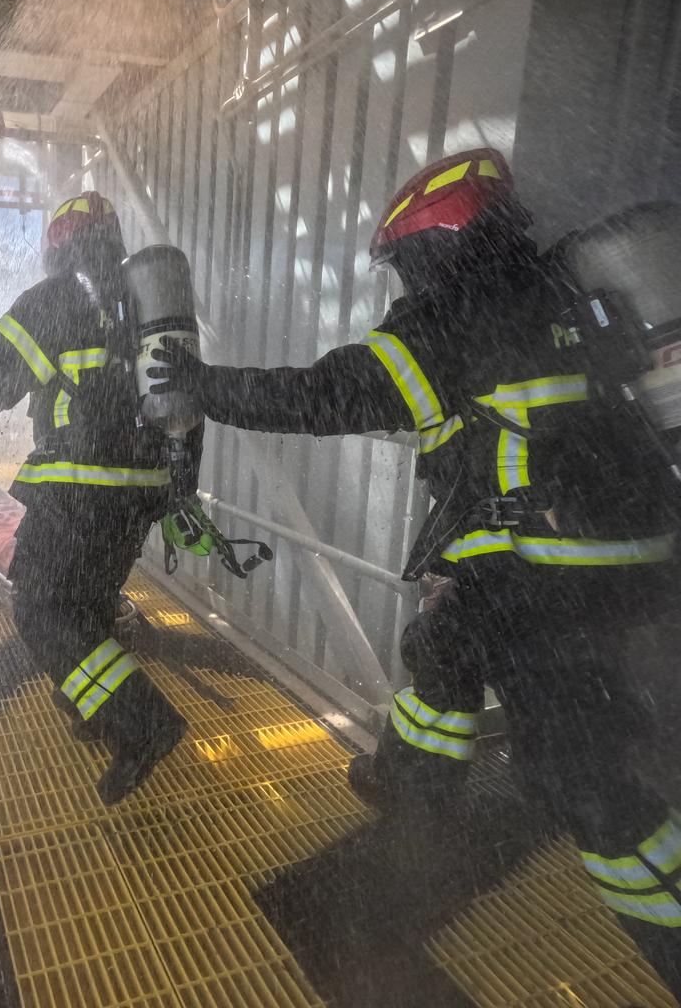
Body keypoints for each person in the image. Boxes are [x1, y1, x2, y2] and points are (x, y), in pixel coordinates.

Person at [148, 148, 681, 992]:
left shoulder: (448, 320)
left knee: (586, 782)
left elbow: (327, 396)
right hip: (619, 559)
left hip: (543, 574)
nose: (402, 285)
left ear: (437, 242)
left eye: (403, 264)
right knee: (446, 646)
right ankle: (412, 781)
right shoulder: (558, 291)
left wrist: (204, 386)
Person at [0, 192, 198, 804]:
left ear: (56, 249)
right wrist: (176, 488)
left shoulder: (60, 297)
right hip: (141, 490)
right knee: (87, 600)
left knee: (41, 608)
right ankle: (91, 707)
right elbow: (184, 402)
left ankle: (141, 720)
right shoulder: (146, 308)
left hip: (77, 485)